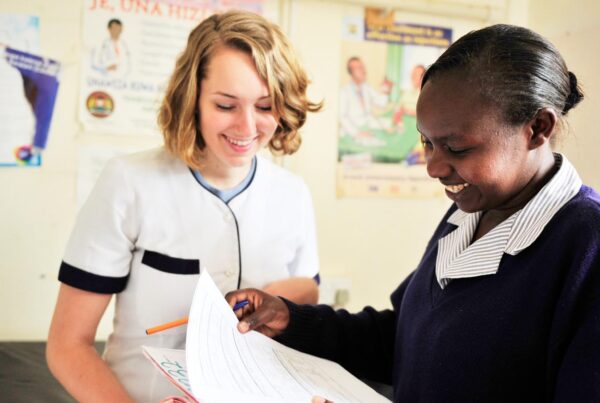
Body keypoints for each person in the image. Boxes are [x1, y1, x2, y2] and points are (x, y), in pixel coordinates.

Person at [227, 24, 600, 402]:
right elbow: (403, 339)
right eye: (427, 142)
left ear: (537, 128)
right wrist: (291, 320)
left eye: (456, 148)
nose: (433, 167)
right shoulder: (470, 213)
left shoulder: (586, 245)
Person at [47, 10, 322, 402]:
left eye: (265, 107)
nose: (247, 128)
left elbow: (308, 292)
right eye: (226, 106)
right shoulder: (130, 182)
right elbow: (67, 345)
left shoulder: (292, 193)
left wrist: (275, 296)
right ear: (191, 99)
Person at [339, 56, 390, 144]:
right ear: (351, 72)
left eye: (363, 67)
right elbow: (342, 117)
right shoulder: (344, 92)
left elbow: (381, 103)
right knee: (380, 144)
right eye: (359, 68)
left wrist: (385, 90)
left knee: (389, 128)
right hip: (353, 132)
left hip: (367, 127)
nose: (363, 70)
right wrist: (357, 133)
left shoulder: (367, 88)